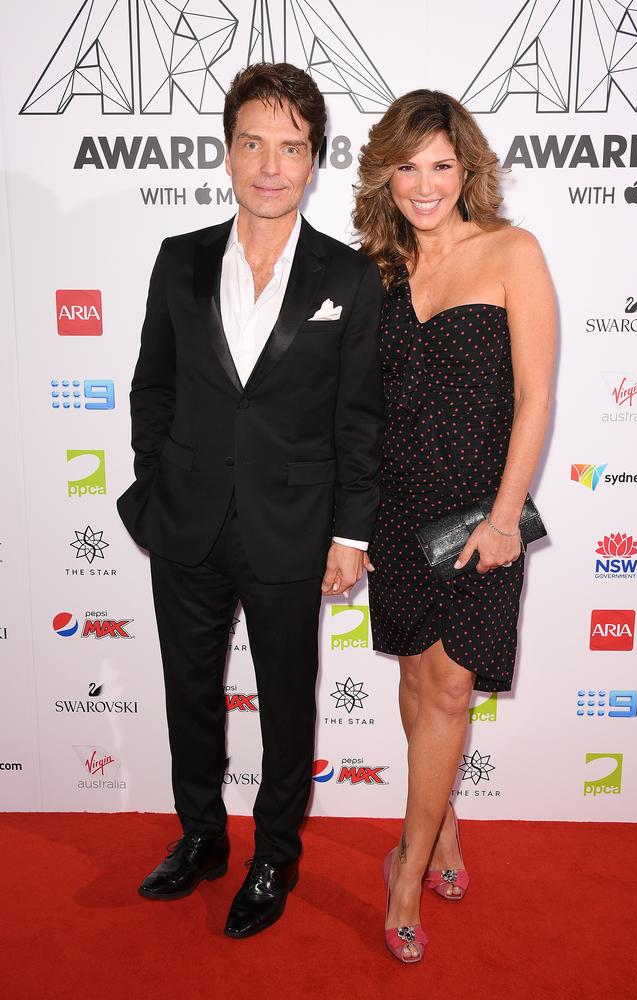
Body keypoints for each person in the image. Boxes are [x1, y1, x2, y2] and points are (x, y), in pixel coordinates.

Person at [117, 62, 384, 939]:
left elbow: (358, 419)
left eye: (291, 148)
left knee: (286, 698)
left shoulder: (351, 278)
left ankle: (274, 853)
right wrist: (154, 487)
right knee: (187, 689)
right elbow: (151, 386)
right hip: (185, 519)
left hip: (292, 527)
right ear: (227, 152)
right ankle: (200, 834)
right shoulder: (179, 259)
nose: (271, 165)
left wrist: (350, 534)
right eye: (253, 144)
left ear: (315, 159)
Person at [353, 89, 556, 963]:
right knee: (413, 680)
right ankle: (442, 833)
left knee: (448, 688)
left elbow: (538, 396)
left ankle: (406, 872)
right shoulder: (379, 271)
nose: (425, 184)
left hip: (483, 514)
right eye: (408, 166)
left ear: (467, 168)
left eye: (441, 164)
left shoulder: (513, 251)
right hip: (398, 509)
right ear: (386, 175)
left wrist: (507, 517)